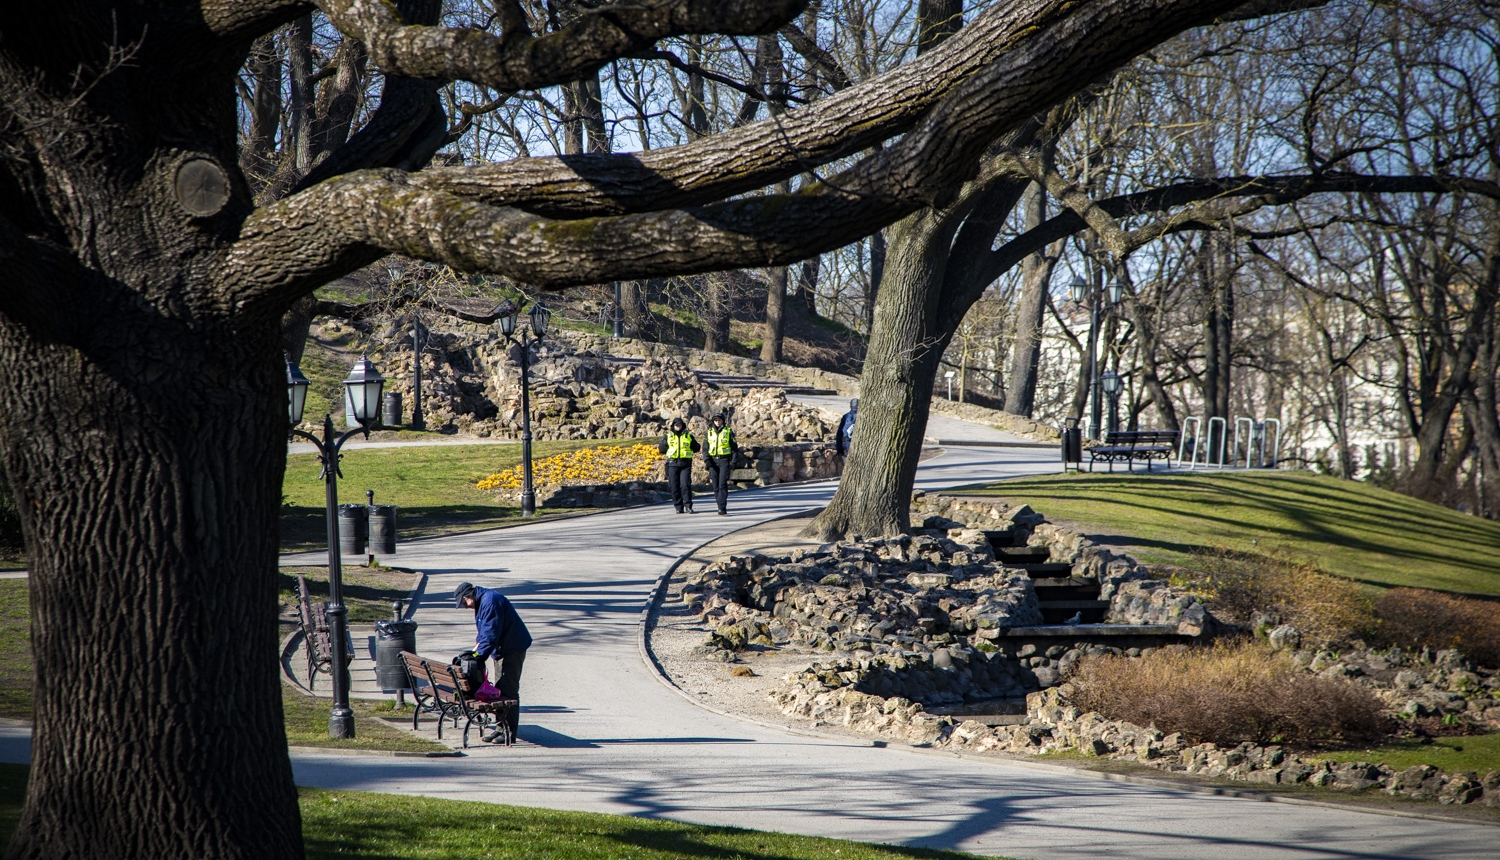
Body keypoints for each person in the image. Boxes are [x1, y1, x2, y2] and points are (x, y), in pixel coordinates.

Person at [454, 581, 532, 743]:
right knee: (500, 689)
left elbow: (490, 633)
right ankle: (500, 728)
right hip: (502, 649)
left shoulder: (490, 601)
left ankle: (509, 733)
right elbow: (484, 633)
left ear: (469, 596)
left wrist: (478, 657)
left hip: (512, 648)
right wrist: (475, 652)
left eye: (463, 602)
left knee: (508, 690)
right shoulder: (483, 601)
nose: (464, 607)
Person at [659, 416, 700, 513]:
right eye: (676, 425)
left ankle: (688, 506)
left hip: (685, 464)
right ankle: (678, 506)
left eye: (680, 425)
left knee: (685, 485)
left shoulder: (688, 436)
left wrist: (692, 441)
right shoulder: (668, 436)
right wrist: (664, 443)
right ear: (673, 426)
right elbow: (661, 449)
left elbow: (697, 448)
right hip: (673, 464)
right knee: (674, 486)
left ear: (682, 426)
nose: (678, 427)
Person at [703, 412, 738, 516]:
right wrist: (707, 460)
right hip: (713, 461)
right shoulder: (709, 432)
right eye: (715, 420)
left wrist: (734, 461)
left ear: (723, 421)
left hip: (724, 461)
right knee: (715, 486)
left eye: (719, 420)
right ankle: (720, 504)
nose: (717, 422)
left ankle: (721, 507)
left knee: (722, 484)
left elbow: (734, 449)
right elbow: (705, 448)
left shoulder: (728, 432)